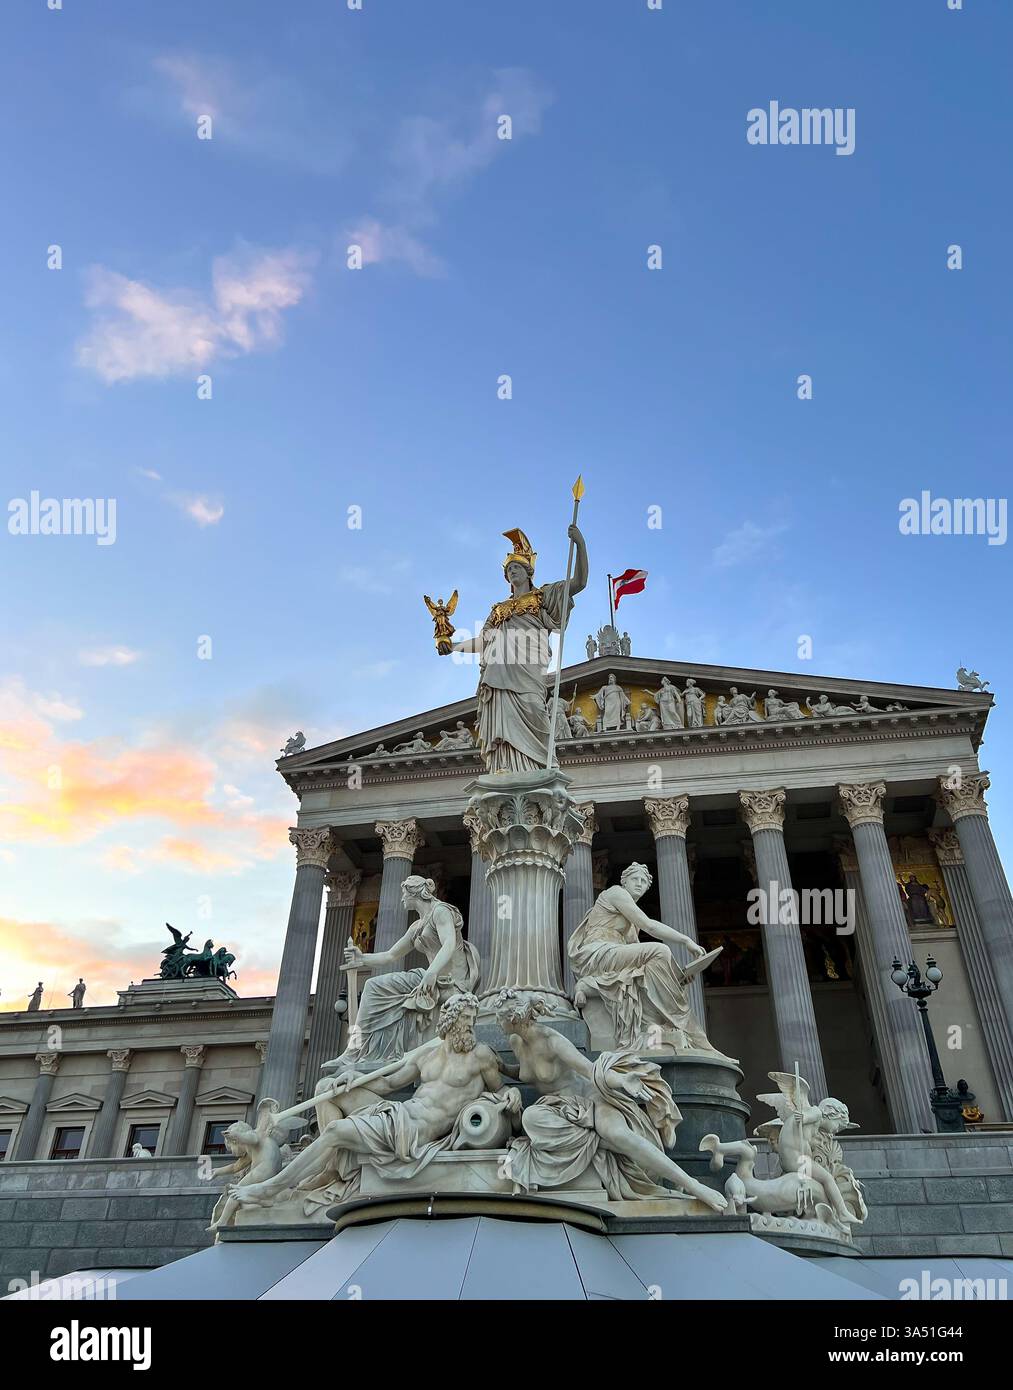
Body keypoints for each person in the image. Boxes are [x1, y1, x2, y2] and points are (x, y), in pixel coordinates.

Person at [234, 994, 516, 1208]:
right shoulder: (427, 1055)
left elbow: (501, 1087)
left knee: (334, 1131)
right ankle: (334, 1168)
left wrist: (511, 1093)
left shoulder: (481, 1055)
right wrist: (353, 1076)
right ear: (451, 1020)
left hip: (414, 1133)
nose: (471, 1024)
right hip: (400, 1113)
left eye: (473, 1018)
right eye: (466, 1018)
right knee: (326, 1088)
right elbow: (389, 1084)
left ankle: (271, 1189)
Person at [497, 989, 727, 1210]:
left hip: (590, 1099)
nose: (498, 1023)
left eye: (500, 1019)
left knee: (618, 1134)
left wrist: (622, 1081)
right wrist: (501, 1068)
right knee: (530, 1117)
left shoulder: (552, 1042)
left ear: (515, 1019)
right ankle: (596, 1142)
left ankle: (694, 1186)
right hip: (557, 1107)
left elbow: (590, 1070)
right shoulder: (516, 1042)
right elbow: (528, 1072)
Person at [439, 526, 588, 773]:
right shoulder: (498, 610)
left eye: (516, 567)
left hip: (528, 669)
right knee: (502, 720)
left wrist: (580, 544)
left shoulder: (543, 597)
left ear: (528, 571)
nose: (512, 572)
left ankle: (543, 769)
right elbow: (483, 641)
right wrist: (453, 646)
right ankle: (505, 767)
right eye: (508, 570)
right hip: (499, 672)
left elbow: (580, 582)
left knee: (534, 708)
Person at [568, 863, 729, 1057]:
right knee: (659, 950)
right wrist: (686, 940)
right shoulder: (615, 893)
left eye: (643, 881)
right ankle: (682, 1022)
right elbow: (649, 926)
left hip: (613, 954)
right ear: (624, 881)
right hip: (597, 954)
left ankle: (667, 1028)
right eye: (635, 879)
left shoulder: (630, 924)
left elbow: (644, 960)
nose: (639, 884)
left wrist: (678, 977)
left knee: (656, 966)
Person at [328, 875, 480, 1073]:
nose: (401, 898)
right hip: (429, 978)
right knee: (373, 986)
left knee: (378, 987)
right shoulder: (417, 926)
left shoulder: (441, 911)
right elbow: (390, 955)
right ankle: (357, 1050)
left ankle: (364, 1051)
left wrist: (431, 973)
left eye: (404, 894)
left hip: (450, 982)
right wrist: (361, 957)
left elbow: (449, 943)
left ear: (414, 893)